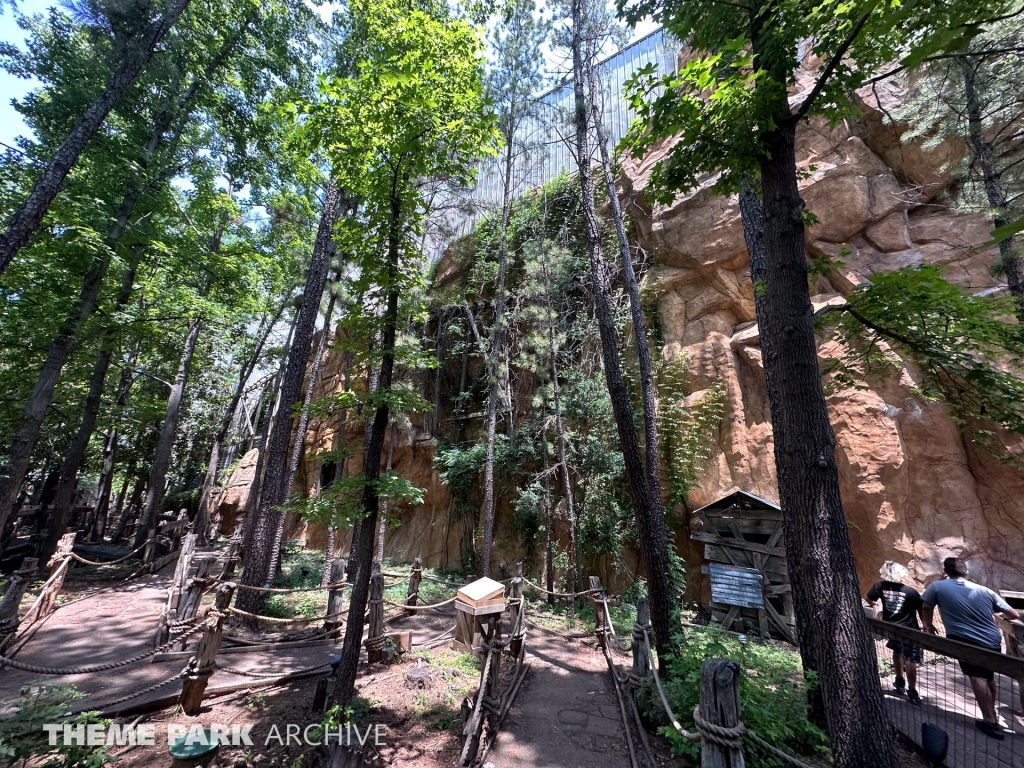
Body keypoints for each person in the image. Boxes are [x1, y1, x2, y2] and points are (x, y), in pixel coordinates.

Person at [921, 557, 1020, 741]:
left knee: (977, 677)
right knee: (988, 676)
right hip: (992, 639)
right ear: (966, 573)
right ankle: (992, 713)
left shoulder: (937, 587)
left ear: (945, 572)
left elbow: (926, 606)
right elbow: (1013, 614)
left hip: (963, 639)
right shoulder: (985, 590)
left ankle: (990, 721)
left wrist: (927, 626)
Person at [866, 561, 924, 705]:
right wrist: (926, 626)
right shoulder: (910, 591)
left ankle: (899, 682)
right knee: (911, 659)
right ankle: (912, 691)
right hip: (909, 629)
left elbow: (868, 598)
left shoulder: (879, 587)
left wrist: (876, 606)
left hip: (891, 627)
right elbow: (921, 610)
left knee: (897, 652)